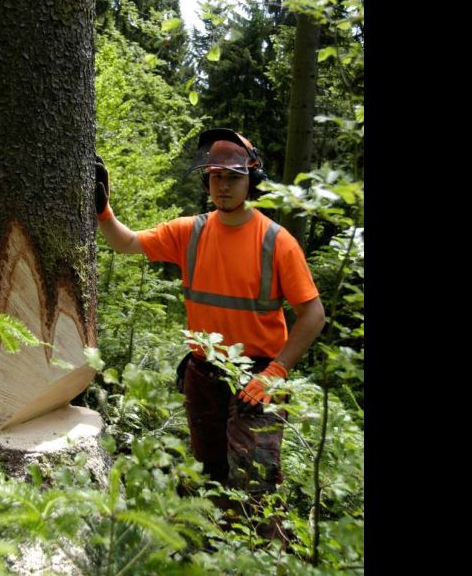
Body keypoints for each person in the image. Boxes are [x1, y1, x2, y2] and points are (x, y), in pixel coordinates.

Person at [94, 128, 325, 521]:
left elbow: (313, 315)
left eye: (233, 177)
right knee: (210, 474)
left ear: (252, 180)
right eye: (216, 177)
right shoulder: (191, 231)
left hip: (258, 376)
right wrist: (103, 211)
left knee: (256, 484)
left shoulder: (277, 241)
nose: (224, 186)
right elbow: (127, 243)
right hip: (204, 372)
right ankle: (216, 544)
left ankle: (263, 549)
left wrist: (274, 373)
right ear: (206, 181)